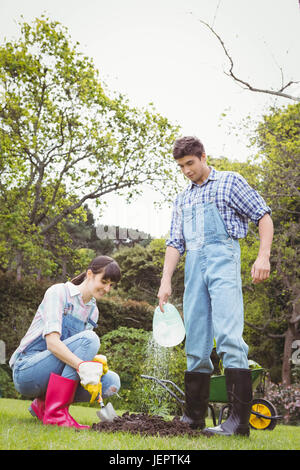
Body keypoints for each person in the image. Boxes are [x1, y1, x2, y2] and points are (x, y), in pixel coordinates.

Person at [157, 136, 273, 437]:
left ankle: (237, 423)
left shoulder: (229, 183)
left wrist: (263, 256)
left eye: (190, 164)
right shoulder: (182, 199)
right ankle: (193, 418)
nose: (186, 171)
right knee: (195, 342)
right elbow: (175, 242)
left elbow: (263, 215)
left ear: (203, 156)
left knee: (228, 338)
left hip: (223, 263)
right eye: (181, 166)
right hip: (194, 268)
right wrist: (165, 281)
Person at [9, 255, 121, 429]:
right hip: (27, 369)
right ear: (90, 274)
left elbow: (78, 351)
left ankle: (43, 405)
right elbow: (52, 343)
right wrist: (83, 366)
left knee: (111, 382)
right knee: (90, 339)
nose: (107, 288)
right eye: (104, 281)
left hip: (53, 372)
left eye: (111, 285)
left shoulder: (93, 312)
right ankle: (56, 414)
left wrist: (93, 364)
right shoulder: (59, 292)